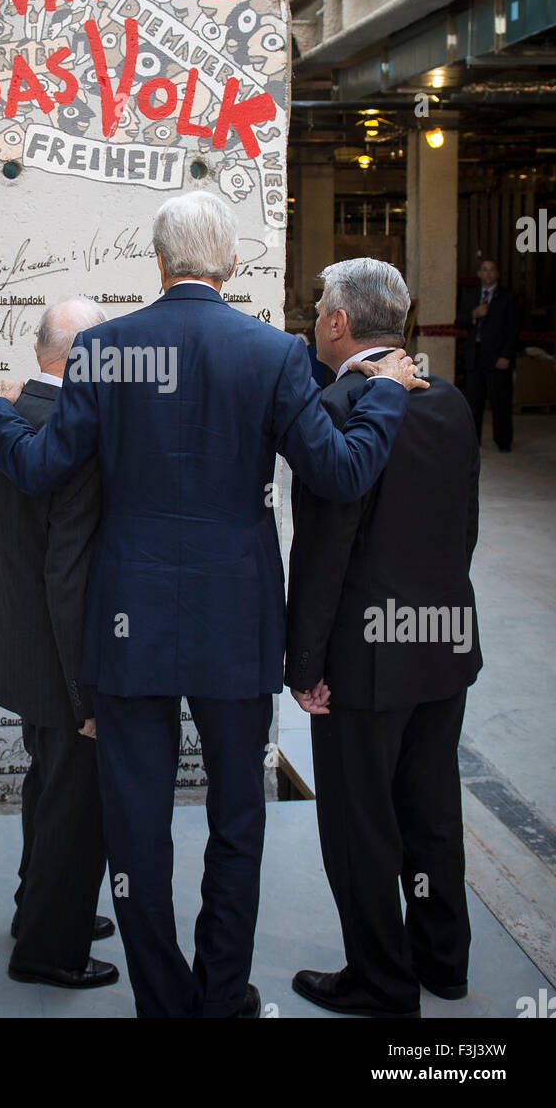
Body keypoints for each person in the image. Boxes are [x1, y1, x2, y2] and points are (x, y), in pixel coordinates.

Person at [0, 192, 426, 1019]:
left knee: (137, 828)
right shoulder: (275, 354)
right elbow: (340, 473)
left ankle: (164, 1004)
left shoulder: (104, 349)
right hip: (236, 622)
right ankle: (220, 997)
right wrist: (387, 391)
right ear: (231, 267)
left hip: (127, 622)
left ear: (158, 262)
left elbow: (40, 469)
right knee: (236, 822)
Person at [285, 257, 482, 1018]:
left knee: (362, 825)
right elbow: (460, 531)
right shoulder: (452, 403)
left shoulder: (335, 408)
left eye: (315, 310)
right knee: (430, 811)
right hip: (442, 645)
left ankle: (380, 980)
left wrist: (303, 663)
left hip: (363, 662)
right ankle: (444, 962)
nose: (311, 321)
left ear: (337, 324)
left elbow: (322, 550)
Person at [0, 297, 118, 992]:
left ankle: (44, 911)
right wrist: (85, 688)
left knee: (47, 785)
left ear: (39, 350)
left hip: (25, 639)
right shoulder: (83, 436)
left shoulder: (0, 416)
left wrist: (2, 629)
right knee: (73, 803)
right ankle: (49, 952)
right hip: (69, 651)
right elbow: (70, 572)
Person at [455, 256, 520, 452]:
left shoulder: (508, 297)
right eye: (484, 269)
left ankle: (503, 442)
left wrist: (506, 356)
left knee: (500, 402)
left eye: (492, 269)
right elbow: (459, 322)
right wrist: (473, 315)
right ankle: (474, 441)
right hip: (475, 357)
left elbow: (513, 330)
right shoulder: (471, 297)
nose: (488, 273)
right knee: (473, 402)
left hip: (498, 357)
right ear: (479, 274)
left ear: (497, 274)